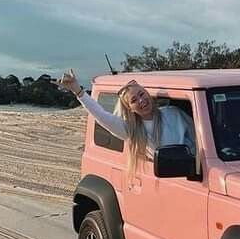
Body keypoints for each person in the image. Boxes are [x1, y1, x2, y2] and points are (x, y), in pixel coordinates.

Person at [55, 69, 196, 180]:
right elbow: (102, 115)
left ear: (147, 93)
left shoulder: (174, 113)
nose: (141, 100)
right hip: (167, 178)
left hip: (192, 171)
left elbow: (200, 138)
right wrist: (78, 91)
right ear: (130, 108)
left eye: (141, 94)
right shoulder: (131, 130)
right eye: (134, 100)